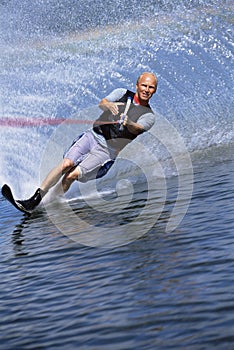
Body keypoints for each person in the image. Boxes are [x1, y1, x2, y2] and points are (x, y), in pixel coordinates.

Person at [16, 72, 158, 212]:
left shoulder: (149, 115)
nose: (146, 90)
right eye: (144, 85)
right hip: (92, 136)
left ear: (154, 90)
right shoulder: (121, 93)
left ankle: (49, 202)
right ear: (137, 85)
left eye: (150, 87)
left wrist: (130, 123)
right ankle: (35, 200)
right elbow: (102, 103)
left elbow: (138, 128)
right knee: (67, 164)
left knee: (71, 175)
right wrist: (108, 106)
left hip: (107, 151)